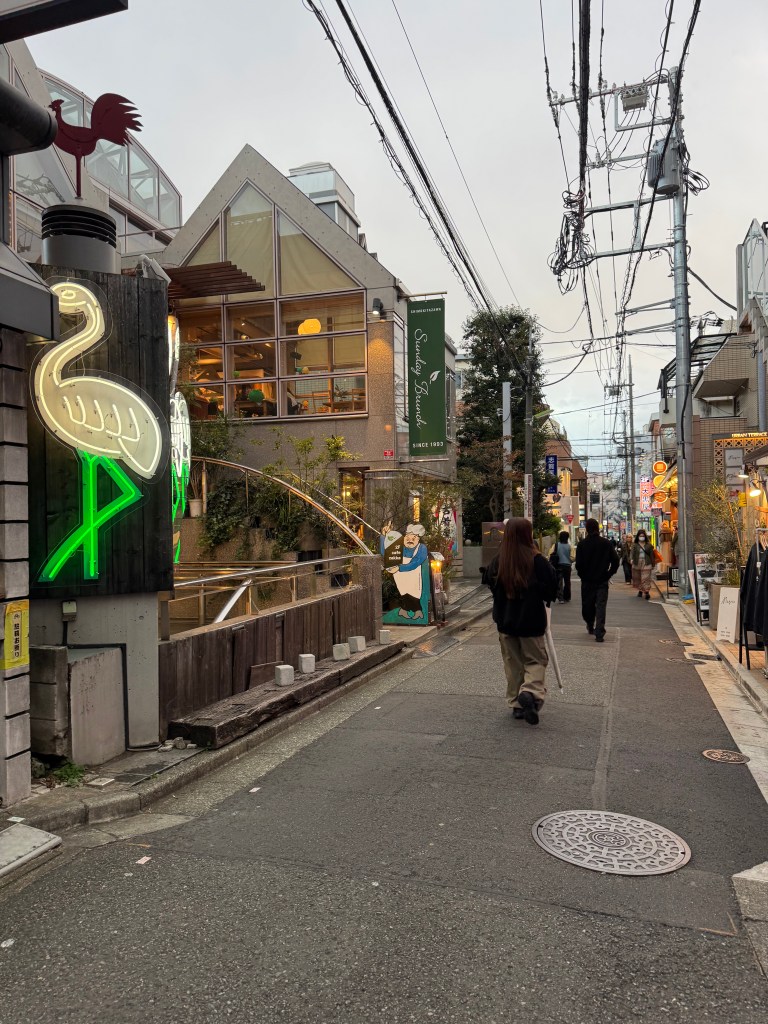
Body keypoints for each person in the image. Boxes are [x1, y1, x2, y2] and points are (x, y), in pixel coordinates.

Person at [483, 518, 557, 726]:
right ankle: (530, 692)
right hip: (531, 621)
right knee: (535, 660)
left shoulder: (499, 560)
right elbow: (551, 588)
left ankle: (517, 704)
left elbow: (489, 582)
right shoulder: (537, 560)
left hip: (505, 621)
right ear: (528, 534)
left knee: (513, 663)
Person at [575, 518, 620, 642]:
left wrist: (582, 575)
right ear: (598, 528)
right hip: (602, 580)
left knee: (587, 605)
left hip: (587, 581)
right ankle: (599, 632)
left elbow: (578, 564)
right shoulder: (606, 543)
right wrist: (609, 573)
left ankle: (590, 624)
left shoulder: (582, 544)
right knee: (601, 606)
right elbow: (615, 560)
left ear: (587, 529)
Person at [631, 529, 657, 600]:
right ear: (638, 536)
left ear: (645, 536)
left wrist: (653, 564)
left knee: (646, 578)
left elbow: (652, 555)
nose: (641, 537)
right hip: (637, 563)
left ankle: (646, 591)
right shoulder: (635, 545)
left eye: (643, 536)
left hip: (647, 562)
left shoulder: (649, 545)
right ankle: (640, 590)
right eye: (640, 536)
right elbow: (632, 553)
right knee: (638, 577)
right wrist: (631, 559)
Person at [553, 530, 573, 602]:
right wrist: (569, 559)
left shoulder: (556, 545)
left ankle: (560, 598)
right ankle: (567, 597)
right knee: (567, 582)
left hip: (559, 565)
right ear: (567, 538)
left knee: (559, 582)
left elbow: (551, 554)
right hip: (567, 566)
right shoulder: (569, 546)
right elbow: (573, 558)